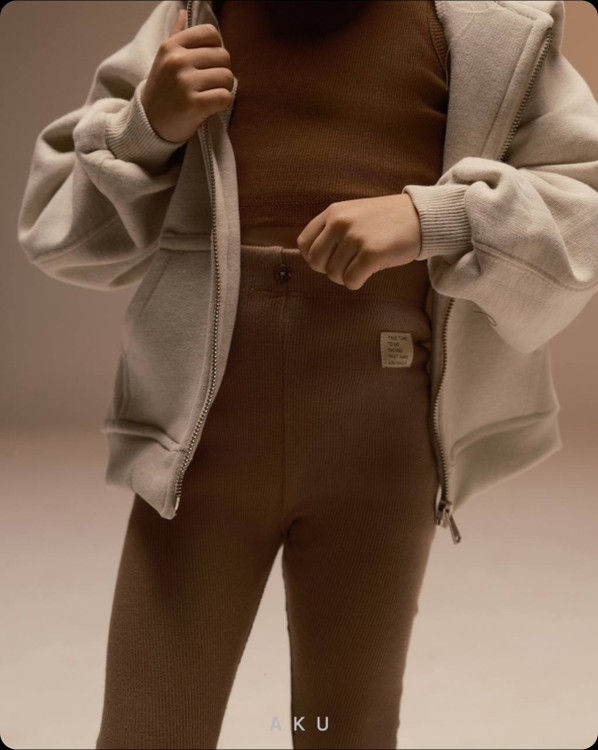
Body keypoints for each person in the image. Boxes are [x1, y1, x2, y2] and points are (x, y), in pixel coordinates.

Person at [16, 1, 598, 748]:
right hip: (203, 448)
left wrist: (437, 218)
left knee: (343, 732)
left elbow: (584, 204)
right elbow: (55, 226)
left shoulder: (491, 27)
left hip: (380, 451)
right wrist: (144, 130)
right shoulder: (197, 15)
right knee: (150, 730)